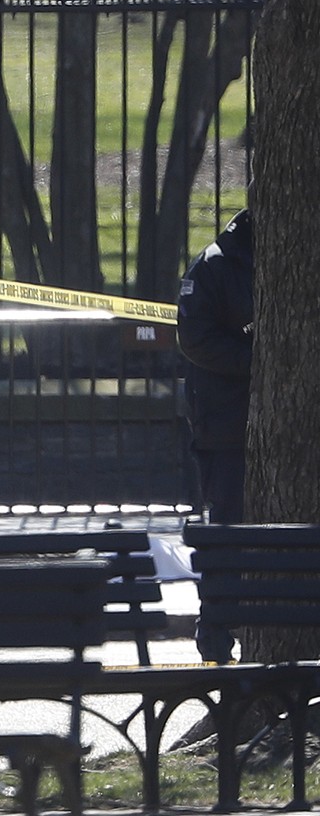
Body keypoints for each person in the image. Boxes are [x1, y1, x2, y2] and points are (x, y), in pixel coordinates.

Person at [178, 207, 254, 664]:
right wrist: (260, 361)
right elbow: (196, 339)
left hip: (234, 418)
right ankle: (216, 635)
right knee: (228, 528)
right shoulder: (216, 264)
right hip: (226, 424)